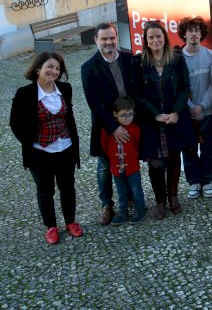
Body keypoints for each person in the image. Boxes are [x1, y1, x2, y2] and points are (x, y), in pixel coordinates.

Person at [10, 52, 83, 244]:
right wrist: (31, 144)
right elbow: (15, 124)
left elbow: (69, 118)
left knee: (67, 188)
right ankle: (51, 226)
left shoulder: (65, 89)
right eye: (49, 66)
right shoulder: (24, 93)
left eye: (57, 68)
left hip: (65, 148)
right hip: (40, 152)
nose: (54, 71)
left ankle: (71, 221)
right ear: (38, 69)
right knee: (45, 191)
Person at [132, 20, 194, 219]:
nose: (155, 40)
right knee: (156, 163)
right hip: (152, 121)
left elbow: (185, 87)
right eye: (151, 37)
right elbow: (136, 93)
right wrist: (154, 114)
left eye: (159, 36)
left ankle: (173, 197)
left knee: (174, 159)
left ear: (164, 38)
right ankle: (160, 200)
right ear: (146, 40)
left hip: (174, 118)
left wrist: (176, 112)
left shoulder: (176, 58)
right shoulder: (139, 62)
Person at [81, 22, 135, 226]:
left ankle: (130, 196)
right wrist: (114, 128)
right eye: (103, 39)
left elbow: (135, 90)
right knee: (105, 166)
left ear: (116, 38)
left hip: (129, 122)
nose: (108, 42)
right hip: (105, 126)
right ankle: (107, 204)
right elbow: (94, 103)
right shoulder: (88, 68)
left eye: (111, 38)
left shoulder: (129, 59)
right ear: (96, 40)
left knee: (128, 159)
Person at [178, 16, 212, 200]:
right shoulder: (177, 59)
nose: (194, 34)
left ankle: (207, 180)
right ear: (184, 34)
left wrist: (202, 106)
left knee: (208, 148)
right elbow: (178, 88)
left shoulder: (211, 56)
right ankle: (194, 181)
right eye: (190, 30)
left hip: (208, 112)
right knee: (189, 148)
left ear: (201, 33)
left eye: (197, 30)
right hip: (187, 114)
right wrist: (191, 107)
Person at [100, 96, 146, 225]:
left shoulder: (135, 129)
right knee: (121, 192)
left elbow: (136, 145)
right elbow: (104, 146)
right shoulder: (107, 131)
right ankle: (123, 211)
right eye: (123, 115)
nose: (128, 118)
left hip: (132, 167)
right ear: (115, 114)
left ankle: (140, 209)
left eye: (130, 114)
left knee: (136, 190)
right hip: (116, 167)